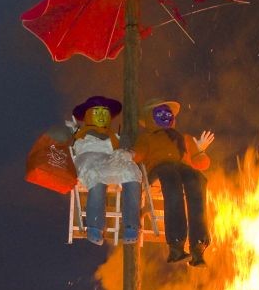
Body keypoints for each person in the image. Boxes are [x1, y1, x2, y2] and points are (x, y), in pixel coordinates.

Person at [133, 98, 214, 266]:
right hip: (159, 168)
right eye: (159, 114)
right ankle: (176, 244)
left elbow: (201, 164)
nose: (165, 117)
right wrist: (126, 154)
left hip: (181, 167)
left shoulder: (183, 139)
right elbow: (136, 155)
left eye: (167, 114)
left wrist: (199, 151)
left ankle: (198, 245)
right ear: (150, 118)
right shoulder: (147, 138)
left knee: (196, 179)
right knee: (171, 181)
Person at [71, 95, 141, 245]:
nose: (102, 116)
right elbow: (62, 142)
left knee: (131, 171)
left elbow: (128, 149)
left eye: (105, 112)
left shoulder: (115, 136)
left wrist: (127, 152)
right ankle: (95, 226)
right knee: (96, 175)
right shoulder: (79, 133)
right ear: (88, 115)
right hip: (88, 157)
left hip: (109, 159)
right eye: (97, 112)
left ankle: (131, 225)